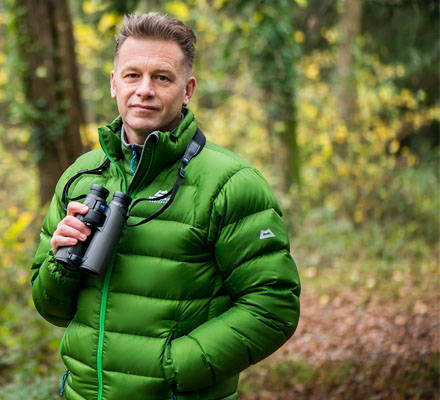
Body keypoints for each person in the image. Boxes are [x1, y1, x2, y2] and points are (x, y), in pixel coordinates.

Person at [30, 12, 300, 400]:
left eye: (161, 77)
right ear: (113, 83)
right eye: (132, 75)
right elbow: (52, 309)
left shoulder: (230, 184)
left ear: (187, 89)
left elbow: (273, 306)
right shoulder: (82, 176)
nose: (144, 90)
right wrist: (61, 263)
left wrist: (173, 367)